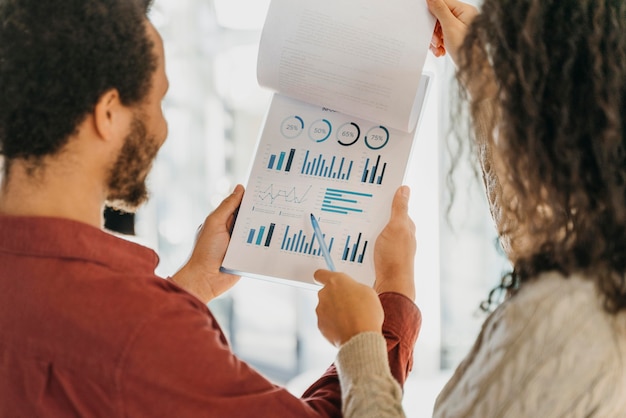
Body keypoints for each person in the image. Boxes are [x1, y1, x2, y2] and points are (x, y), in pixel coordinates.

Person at [0, 0, 421, 416]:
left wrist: (191, 286)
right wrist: (390, 300)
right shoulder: (142, 330)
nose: (162, 129)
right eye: (158, 100)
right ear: (108, 113)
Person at [315, 0, 626, 416]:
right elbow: (542, 236)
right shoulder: (604, 259)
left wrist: (359, 345)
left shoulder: (568, 323)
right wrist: (481, 76)